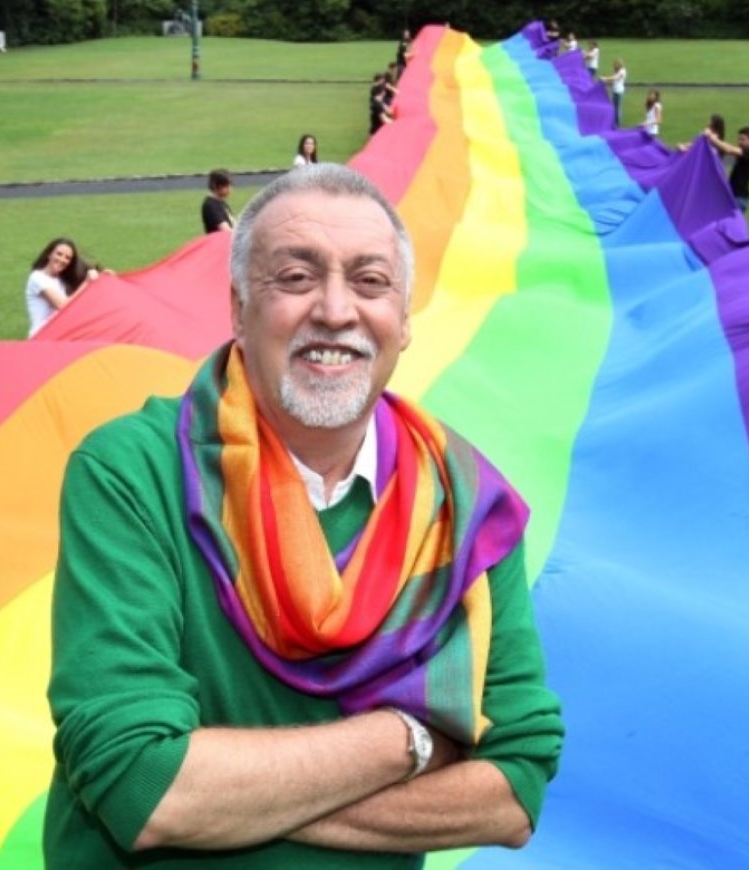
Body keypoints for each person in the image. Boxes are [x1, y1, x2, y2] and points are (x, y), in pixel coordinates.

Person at [44, 163, 565, 868]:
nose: (336, 309)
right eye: (295, 277)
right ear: (237, 307)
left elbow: (513, 791)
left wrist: (232, 801)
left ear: (404, 319)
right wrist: (410, 741)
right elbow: (141, 785)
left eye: (371, 281)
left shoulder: (466, 504)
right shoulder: (131, 473)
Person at [25, 237, 97, 337]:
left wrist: (104, 276)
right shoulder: (37, 278)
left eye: (67, 258)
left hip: (58, 335)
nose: (62, 259)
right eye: (59, 254)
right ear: (50, 254)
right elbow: (63, 306)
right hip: (41, 338)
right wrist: (86, 283)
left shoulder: (61, 279)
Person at [705, 125, 749, 212]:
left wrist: (712, 138)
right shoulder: (741, 155)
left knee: (729, 222)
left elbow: (729, 149)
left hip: (740, 197)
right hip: (733, 196)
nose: (739, 142)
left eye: (743, 139)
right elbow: (724, 162)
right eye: (739, 139)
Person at [201, 168, 235, 233]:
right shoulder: (211, 206)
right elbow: (226, 230)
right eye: (226, 186)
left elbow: (234, 224)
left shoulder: (221, 203)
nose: (230, 189)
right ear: (216, 186)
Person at [601, 58, 627, 127]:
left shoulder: (622, 71)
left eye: (616, 64)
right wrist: (606, 81)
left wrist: (606, 78)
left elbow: (616, 78)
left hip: (619, 91)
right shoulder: (618, 71)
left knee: (617, 108)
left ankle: (617, 123)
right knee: (614, 107)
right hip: (615, 90)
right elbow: (614, 79)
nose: (615, 66)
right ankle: (615, 122)